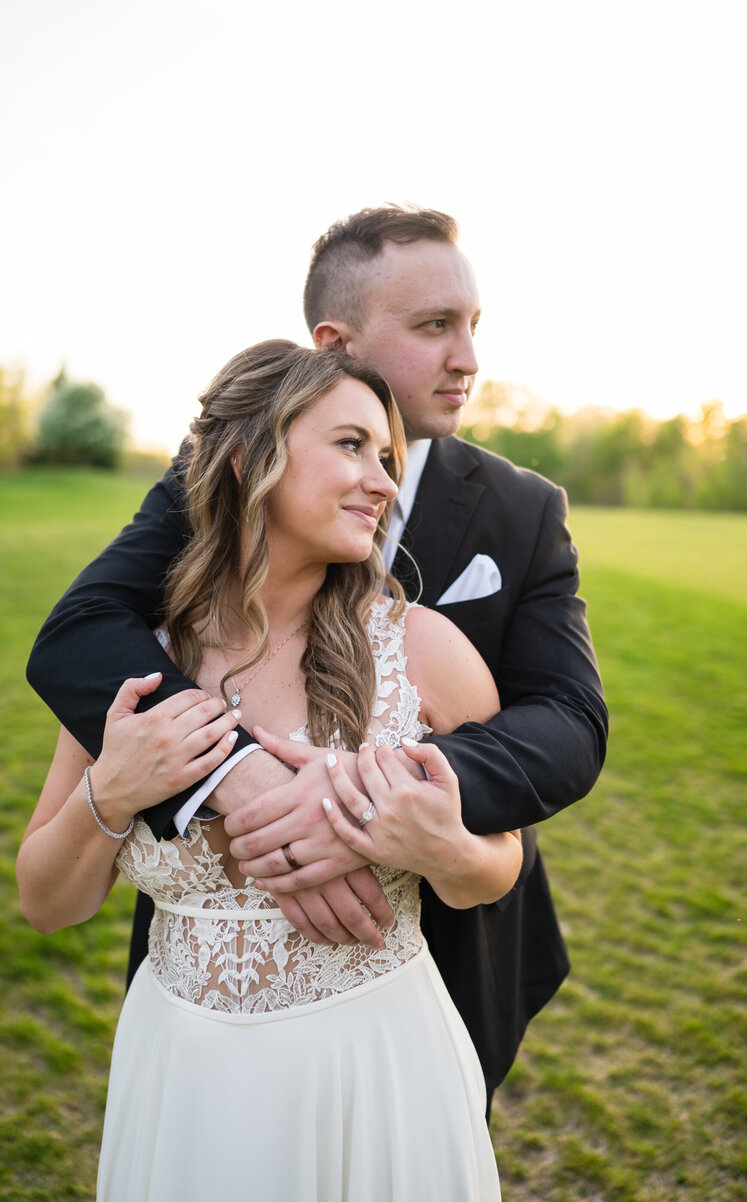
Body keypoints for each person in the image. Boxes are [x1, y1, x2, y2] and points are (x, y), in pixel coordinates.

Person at [26, 205, 608, 1105]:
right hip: (199, 1014)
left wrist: (359, 796)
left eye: (473, 326)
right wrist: (232, 776)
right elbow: (81, 633)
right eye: (433, 327)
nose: (469, 358)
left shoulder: (522, 512)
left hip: (429, 973)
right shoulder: (220, 471)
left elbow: (568, 724)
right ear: (336, 343)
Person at [18, 341, 515, 1200]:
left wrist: (442, 848)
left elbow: (497, 869)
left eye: (388, 458)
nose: (384, 482)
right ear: (251, 458)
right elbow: (47, 905)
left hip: (375, 1067)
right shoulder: (138, 669)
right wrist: (114, 794)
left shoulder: (423, 651)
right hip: (182, 1077)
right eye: (352, 446)